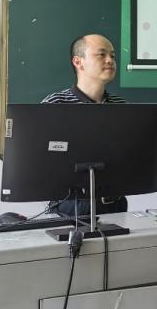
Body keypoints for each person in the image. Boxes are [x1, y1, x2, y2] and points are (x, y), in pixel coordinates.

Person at [42, 33, 128, 215]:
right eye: (101, 54)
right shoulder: (55, 104)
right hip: (69, 205)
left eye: (112, 56)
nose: (110, 60)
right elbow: (41, 159)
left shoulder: (121, 106)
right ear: (78, 62)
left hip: (115, 204)